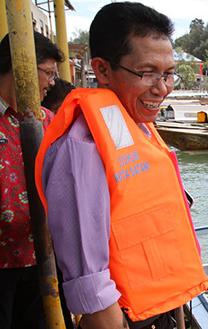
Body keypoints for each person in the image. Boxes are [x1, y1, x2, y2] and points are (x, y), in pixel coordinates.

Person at [35, 2, 208, 328]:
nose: (162, 88)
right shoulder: (82, 149)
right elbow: (92, 285)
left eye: (169, 74)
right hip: (128, 316)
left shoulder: (138, 127)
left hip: (163, 306)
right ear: (102, 70)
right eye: (146, 73)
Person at [0, 31, 64, 329]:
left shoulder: (48, 120)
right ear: (20, 66)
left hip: (43, 258)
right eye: (48, 73)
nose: (51, 82)